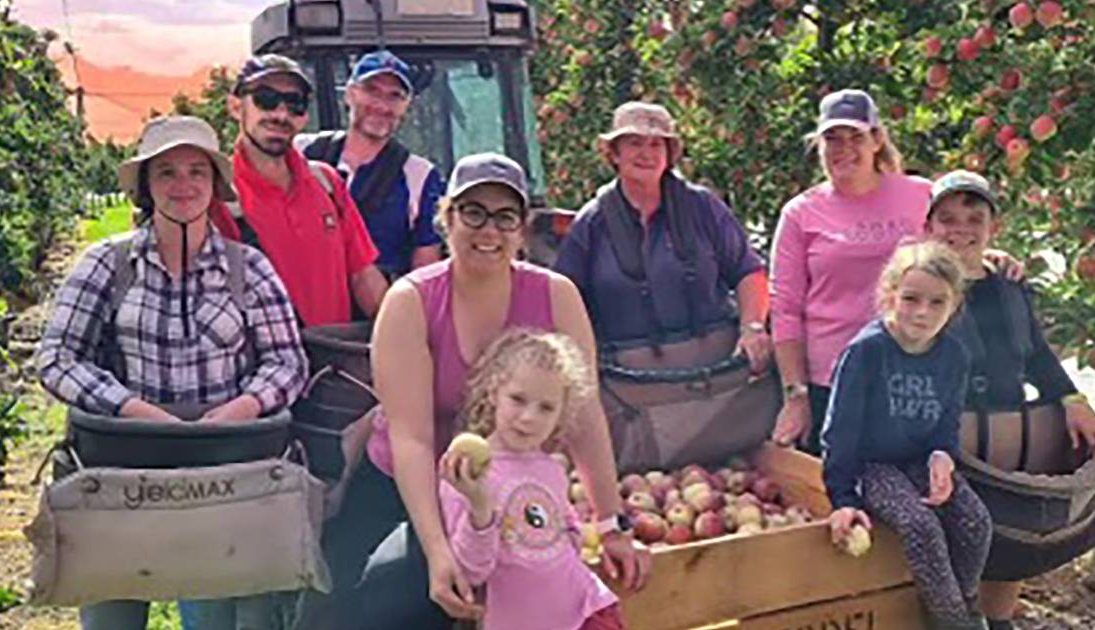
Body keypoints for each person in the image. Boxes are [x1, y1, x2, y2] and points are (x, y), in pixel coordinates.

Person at [313, 153, 646, 630]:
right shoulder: (411, 301)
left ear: (521, 229)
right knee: (362, 602)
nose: (488, 230)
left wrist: (611, 522)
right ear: (447, 217)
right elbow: (413, 438)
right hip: (407, 483)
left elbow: (585, 414)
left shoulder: (556, 296)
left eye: (504, 217)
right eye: (473, 212)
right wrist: (437, 550)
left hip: (511, 481)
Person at [35, 115, 308, 630]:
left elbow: (288, 361)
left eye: (195, 172)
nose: (182, 185)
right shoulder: (107, 264)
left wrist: (241, 408)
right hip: (122, 474)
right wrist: (131, 409)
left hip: (219, 475)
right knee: (112, 606)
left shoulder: (247, 268)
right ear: (145, 186)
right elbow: (57, 356)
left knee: (210, 610)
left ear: (214, 185)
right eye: (165, 173)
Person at [769, 89, 1021, 455]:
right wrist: (795, 394)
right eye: (832, 139)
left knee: (909, 492)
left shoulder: (919, 194)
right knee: (840, 493)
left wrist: (990, 255)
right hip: (833, 380)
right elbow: (784, 308)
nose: (844, 148)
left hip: (913, 376)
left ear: (877, 140)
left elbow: (954, 238)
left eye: (856, 137)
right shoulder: (801, 213)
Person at [924, 171, 1095, 630]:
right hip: (951, 440)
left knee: (1007, 544)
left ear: (996, 225)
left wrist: (1072, 399)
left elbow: (1036, 354)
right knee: (955, 553)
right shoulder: (922, 288)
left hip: (1008, 434)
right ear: (929, 227)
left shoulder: (1010, 285)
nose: (961, 229)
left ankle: (1000, 621)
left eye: (974, 217)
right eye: (947, 218)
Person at [822, 240, 993, 630]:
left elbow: (947, 421)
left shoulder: (954, 355)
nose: (922, 312)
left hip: (918, 460)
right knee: (920, 526)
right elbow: (840, 432)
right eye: (911, 298)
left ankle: (961, 609)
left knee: (975, 522)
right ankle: (954, 623)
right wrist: (842, 498)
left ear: (954, 305)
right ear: (890, 295)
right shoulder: (867, 352)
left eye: (937, 303)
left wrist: (943, 455)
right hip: (873, 465)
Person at [554, 101, 770, 370]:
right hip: (627, 381)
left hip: (719, 372)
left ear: (669, 154)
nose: (646, 153)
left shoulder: (704, 207)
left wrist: (752, 329)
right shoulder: (591, 222)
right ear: (614, 154)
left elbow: (748, 272)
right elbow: (562, 298)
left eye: (656, 144)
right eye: (634, 143)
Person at [440, 328, 625, 630]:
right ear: (493, 392)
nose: (528, 418)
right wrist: (479, 506)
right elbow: (471, 571)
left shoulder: (550, 468)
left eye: (546, 408)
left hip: (586, 611)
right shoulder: (466, 471)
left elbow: (569, 531)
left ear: (561, 415)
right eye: (518, 399)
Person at [211, 54, 388, 326]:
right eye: (266, 100)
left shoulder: (326, 183)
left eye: (295, 104)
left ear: (304, 116)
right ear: (236, 107)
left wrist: (401, 337)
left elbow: (363, 275)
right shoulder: (217, 196)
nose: (281, 115)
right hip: (261, 364)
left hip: (333, 359)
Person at [297, 50, 446, 279]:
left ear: (406, 106)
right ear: (349, 95)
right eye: (372, 91)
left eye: (394, 96)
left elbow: (424, 273)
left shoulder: (420, 177)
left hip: (377, 309)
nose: (382, 106)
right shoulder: (303, 152)